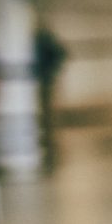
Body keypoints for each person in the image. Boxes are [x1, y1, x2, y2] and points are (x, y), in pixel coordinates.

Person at [32, 24, 64, 168]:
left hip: (47, 80)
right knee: (47, 112)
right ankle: (48, 137)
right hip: (47, 79)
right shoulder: (46, 44)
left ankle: (50, 138)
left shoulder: (45, 45)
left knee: (48, 112)